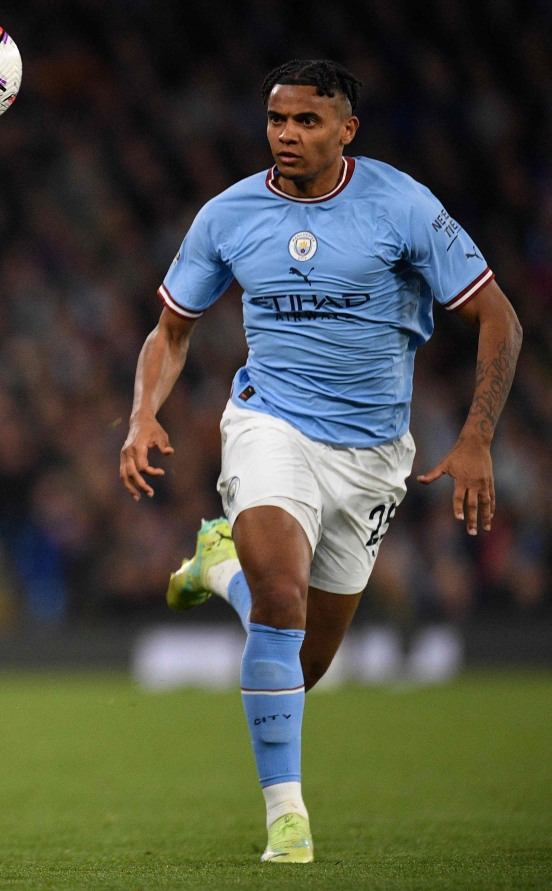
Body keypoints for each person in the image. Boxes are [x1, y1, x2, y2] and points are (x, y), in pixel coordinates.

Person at [119, 59, 521, 863]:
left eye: (307, 122)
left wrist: (476, 435)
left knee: (302, 660)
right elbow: (171, 331)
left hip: (373, 456)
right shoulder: (229, 214)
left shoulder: (401, 206)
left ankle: (218, 566)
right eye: (277, 120)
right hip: (272, 424)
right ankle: (287, 820)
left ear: (347, 131)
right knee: (281, 595)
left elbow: (498, 317)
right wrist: (142, 413)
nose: (287, 135)